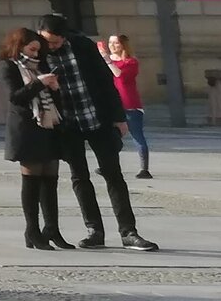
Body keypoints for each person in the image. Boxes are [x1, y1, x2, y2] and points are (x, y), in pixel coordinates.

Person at [37, 14, 155, 249]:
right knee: (80, 177)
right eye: (46, 41)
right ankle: (94, 231)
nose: (51, 46)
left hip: (96, 118)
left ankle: (128, 231)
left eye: (56, 42)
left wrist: (119, 117)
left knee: (113, 174)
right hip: (67, 124)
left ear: (65, 36)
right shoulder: (37, 53)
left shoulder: (82, 46)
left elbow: (105, 81)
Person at [0, 26, 74, 250]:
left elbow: (54, 99)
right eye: (31, 49)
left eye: (37, 50)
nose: (35, 54)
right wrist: (39, 82)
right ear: (19, 46)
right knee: (32, 180)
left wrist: (54, 87)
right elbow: (16, 98)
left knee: (51, 179)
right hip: (27, 128)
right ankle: (31, 230)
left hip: (49, 126)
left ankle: (52, 228)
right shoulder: (8, 66)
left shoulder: (41, 65)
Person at [102, 33, 152, 179]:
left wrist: (108, 62)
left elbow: (121, 76)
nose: (112, 45)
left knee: (137, 135)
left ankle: (144, 169)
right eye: (110, 42)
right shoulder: (106, 61)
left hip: (130, 104)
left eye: (116, 43)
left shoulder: (130, 62)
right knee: (108, 136)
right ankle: (107, 165)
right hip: (111, 103)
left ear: (123, 45)